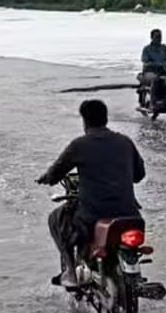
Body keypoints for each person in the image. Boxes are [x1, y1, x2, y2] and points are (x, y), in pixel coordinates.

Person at [36, 100, 146, 288]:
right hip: (129, 212)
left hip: (93, 214)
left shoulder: (79, 145)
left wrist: (46, 178)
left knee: (56, 218)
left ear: (85, 120)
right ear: (105, 118)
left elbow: (56, 172)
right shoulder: (125, 142)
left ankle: (71, 271)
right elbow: (139, 175)